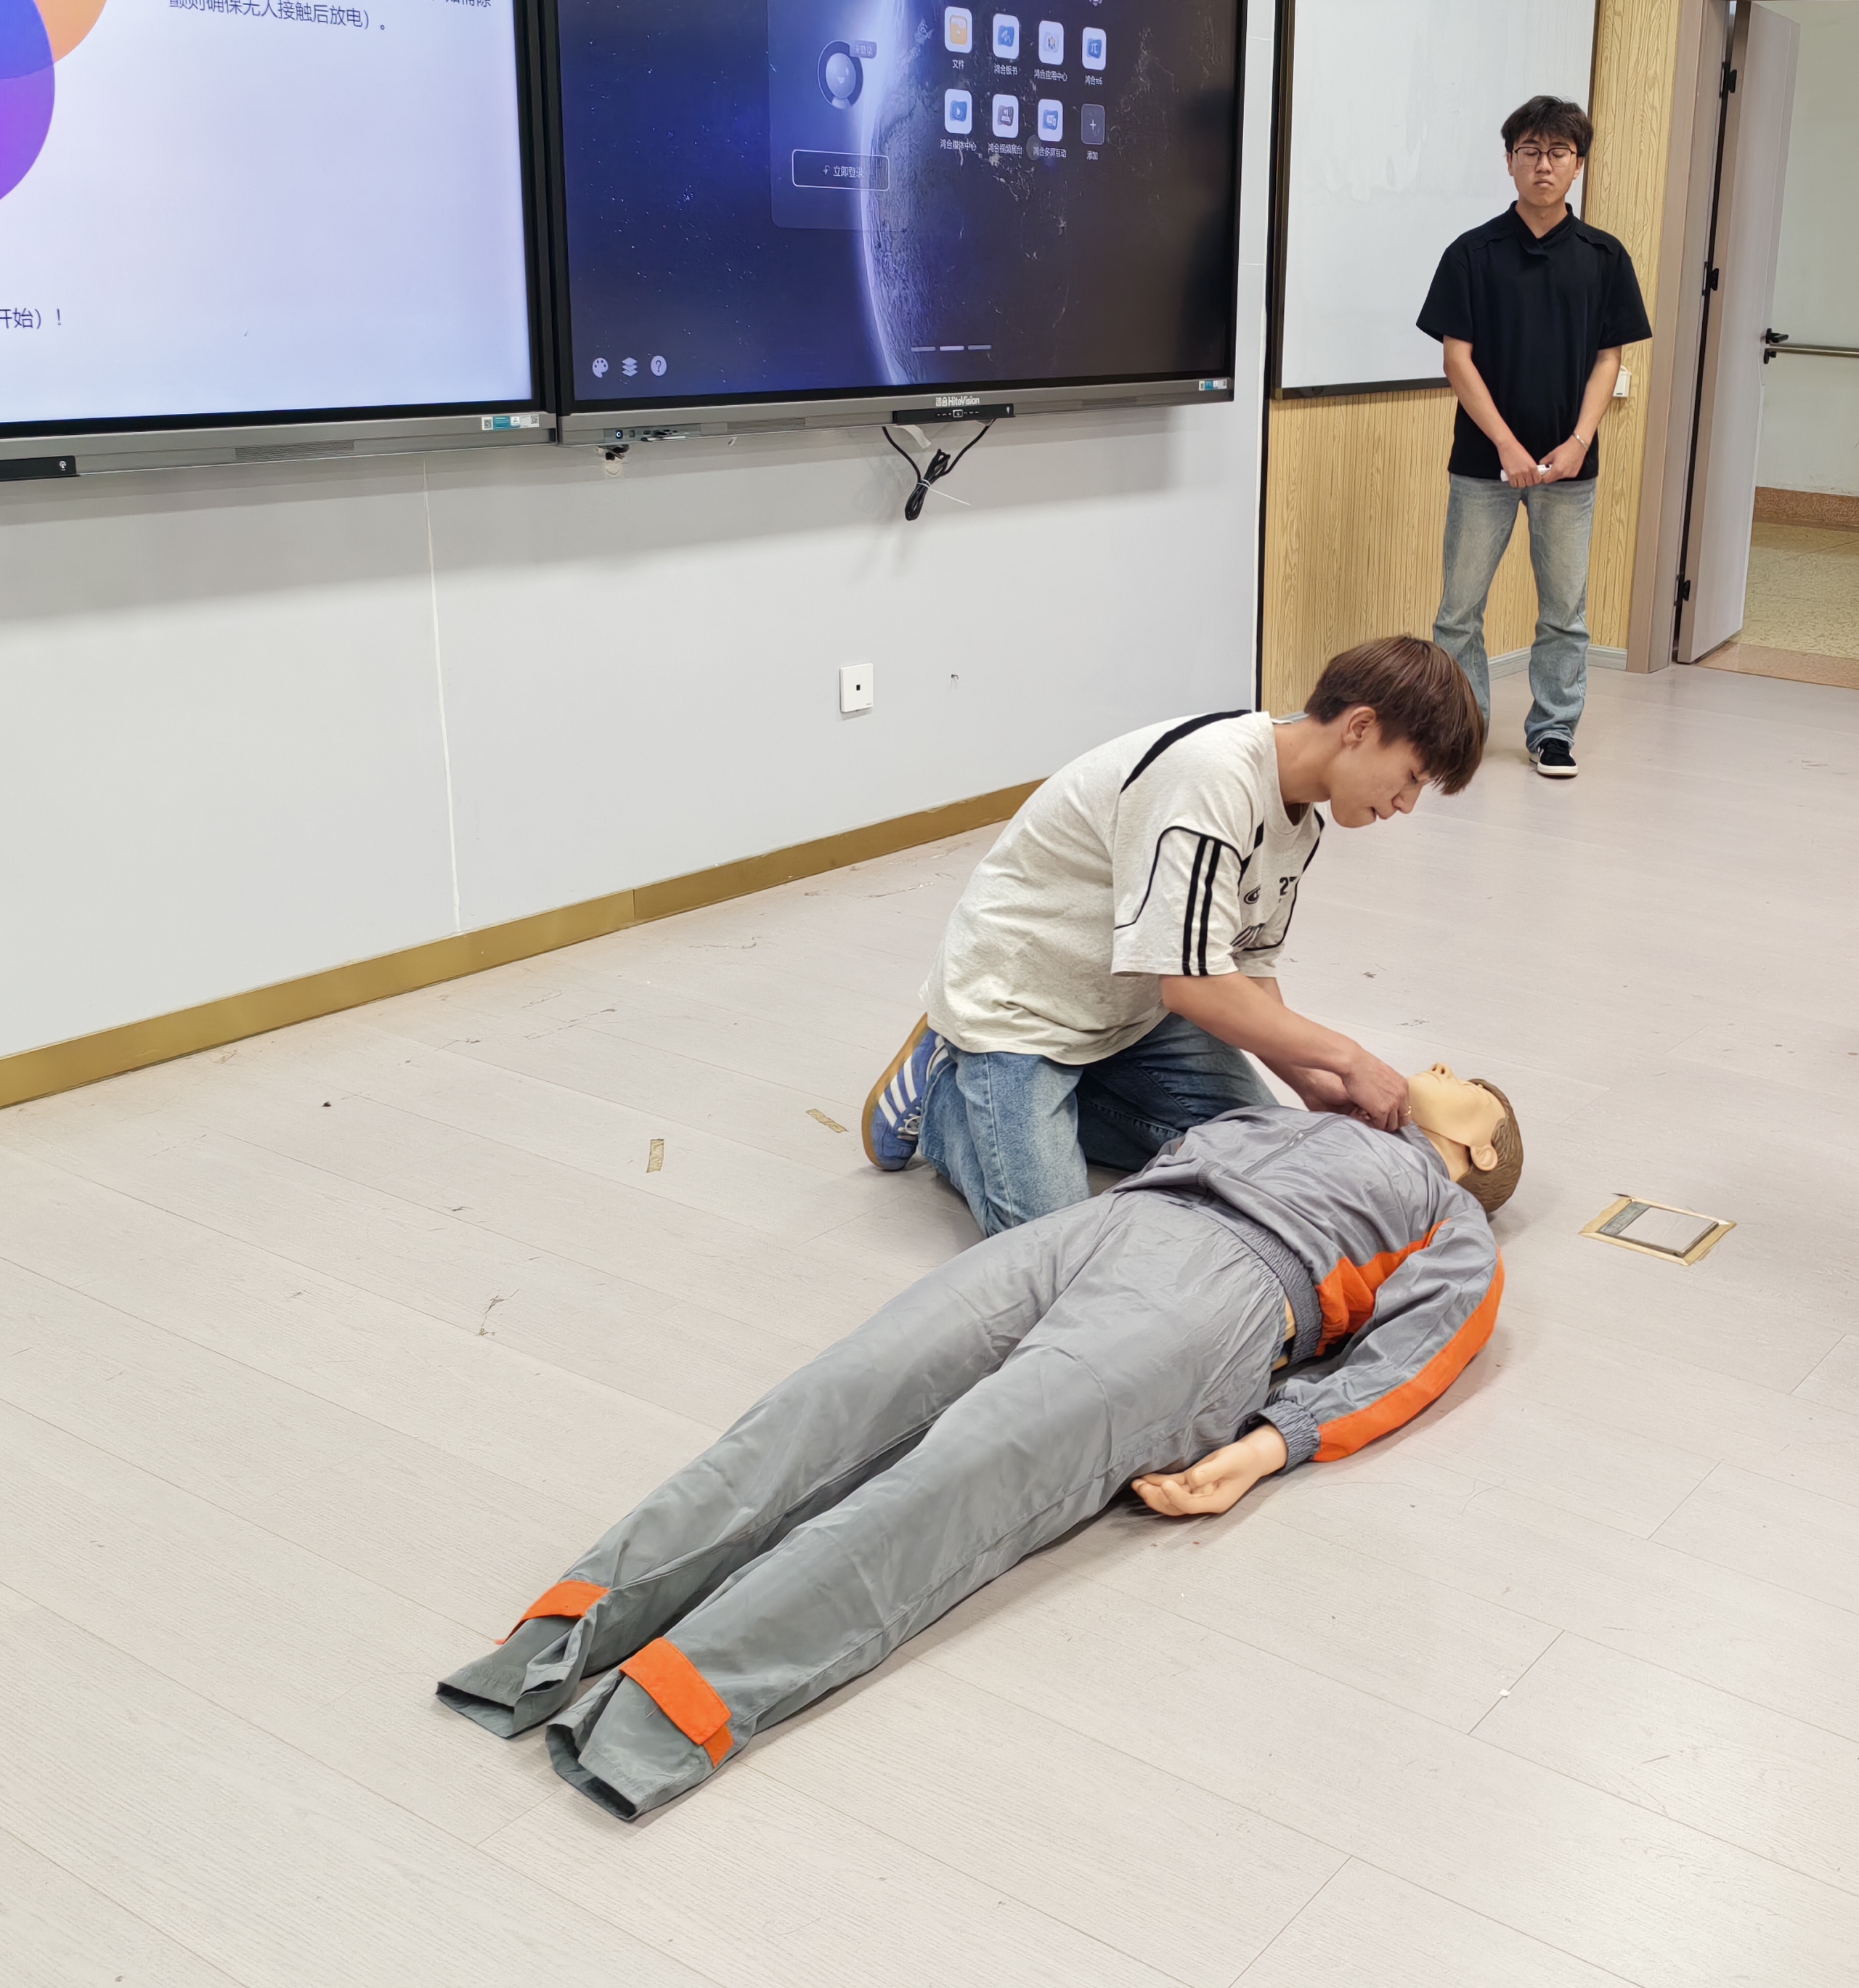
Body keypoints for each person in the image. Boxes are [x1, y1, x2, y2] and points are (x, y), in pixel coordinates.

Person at [439, 1074, 1523, 1821]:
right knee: (833, 1396)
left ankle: (665, 1712)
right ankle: (557, 1635)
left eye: (1463, 1079)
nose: (1432, 1066)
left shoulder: (1450, 1215)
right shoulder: (1281, 1114)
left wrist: (1267, 1450)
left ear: (1480, 1148)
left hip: (1228, 1296)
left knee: (962, 1472)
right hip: (1098, 1225)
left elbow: (1415, 1358)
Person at [861, 637, 1485, 1234]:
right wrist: (1348, 1059)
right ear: (1360, 727)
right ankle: (943, 1091)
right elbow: (1192, 988)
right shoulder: (1212, 779)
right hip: (1020, 1006)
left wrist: (1308, 1082)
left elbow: (1248, 971)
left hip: (1129, 1012)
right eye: (1411, 776)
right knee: (1052, 1237)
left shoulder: (1301, 827)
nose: (1406, 804)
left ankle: (1048, 1101)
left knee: (1265, 1157)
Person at [1419, 94, 1651, 781]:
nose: (1543, 165)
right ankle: (1459, 734)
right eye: (1530, 152)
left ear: (1578, 165)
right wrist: (1506, 446)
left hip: (1570, 468)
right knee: (1459, 611)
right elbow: (1457, 360)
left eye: (1558, 153)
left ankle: (1553, 732)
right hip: (1483, 465)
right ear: (1510, 161)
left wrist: (1579, 440)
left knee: (1565, 612)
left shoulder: (1605, 257)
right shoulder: (1472, 253)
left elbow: (1609, 358)